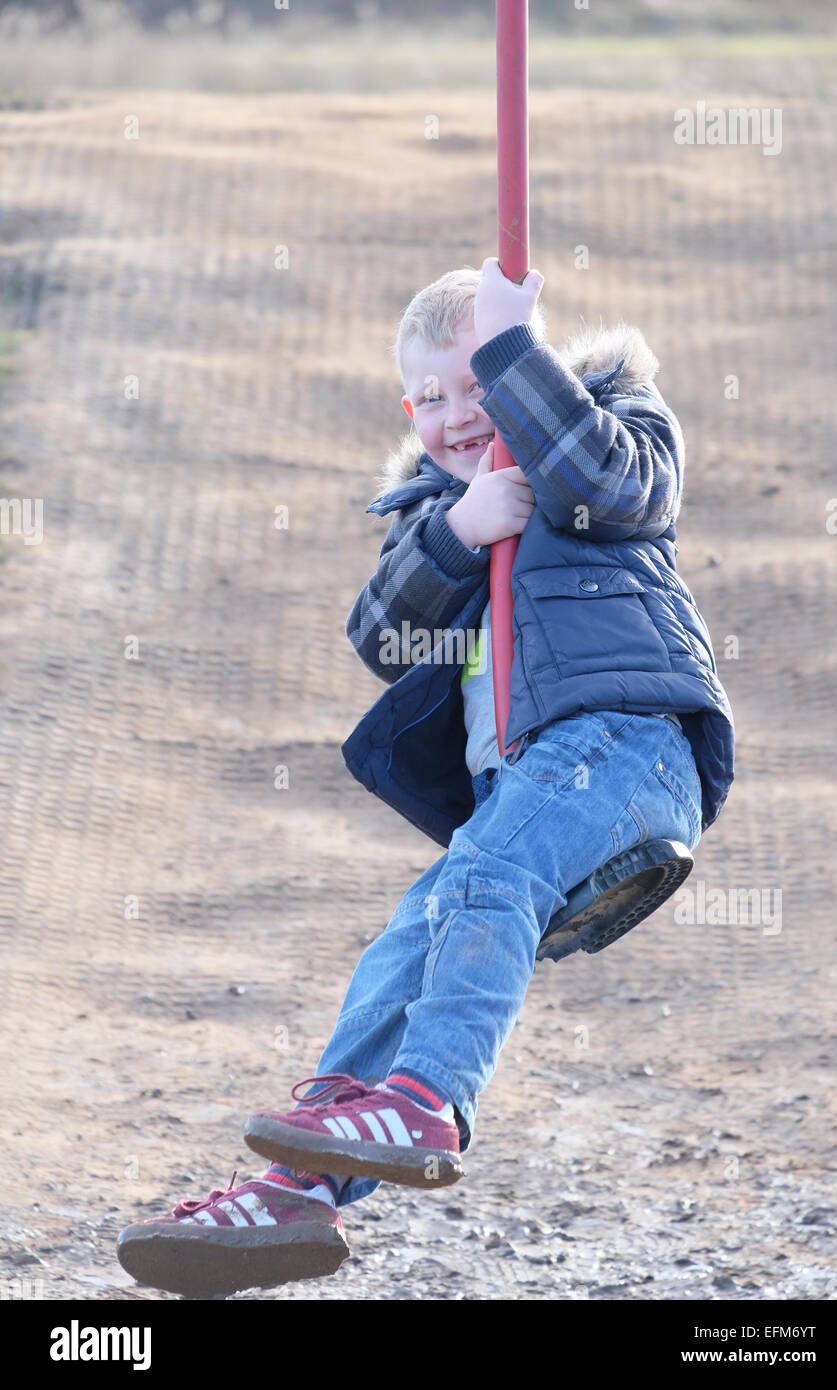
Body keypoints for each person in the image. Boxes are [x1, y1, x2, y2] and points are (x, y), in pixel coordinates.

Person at [116, 259, 734, 1297]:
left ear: (527, 362)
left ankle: (425, 1099)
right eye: (431, 395)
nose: (455, 414)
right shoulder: (438, 508)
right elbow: (382, 631)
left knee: (483, 868)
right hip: (529, 785)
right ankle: (298, 1184)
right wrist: (459, 526)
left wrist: (512, 358)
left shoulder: (612, 427)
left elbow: (615, 484)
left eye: (477, 382)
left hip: (626, 747)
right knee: (406, 944)